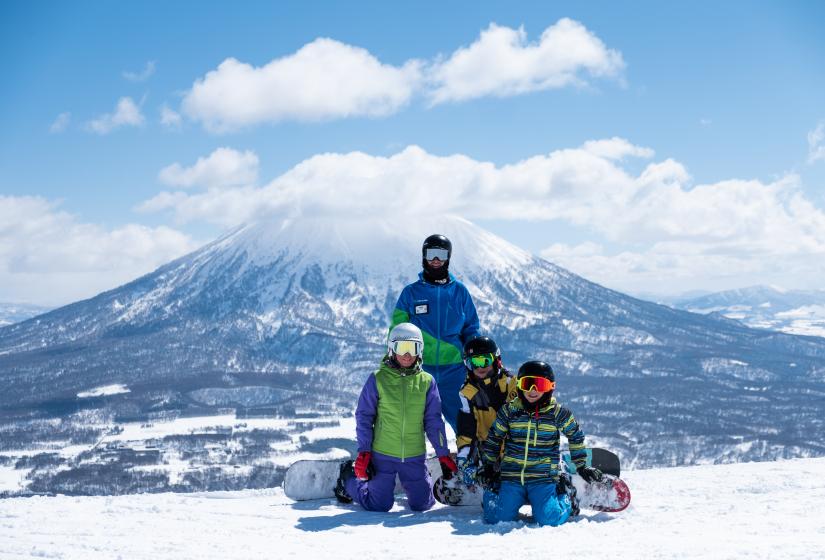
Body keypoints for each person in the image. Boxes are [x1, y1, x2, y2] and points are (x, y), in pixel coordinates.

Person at [334, 322, 458, 511]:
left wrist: (442, 453)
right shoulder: (377, 379)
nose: (407, 354)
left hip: (413, 455)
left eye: (413, 347)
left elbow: (434, 421)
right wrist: (365, 451)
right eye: (402, 347)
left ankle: (411, 483)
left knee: (423, 504)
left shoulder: (427, 382)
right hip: (382, 454)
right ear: (392, 348)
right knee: (379, 505)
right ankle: (348, 480)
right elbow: (364, 417)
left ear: (420, 350)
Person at [478, 361, 603, 526]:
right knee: (498, 518)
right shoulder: (510, 411)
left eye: (540, 385)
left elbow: (575, 435)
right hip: (512, 476)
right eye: (527, 384)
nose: (533, 390)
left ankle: (567, 497)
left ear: (550, 387)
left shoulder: (558, 413)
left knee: (548, 519)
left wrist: (581, 465)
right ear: (520, 386)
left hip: (542, 477)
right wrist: (488, 464)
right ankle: (494, 491)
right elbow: (494, 437)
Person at [390, 234, 480, 432]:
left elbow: (471, 327)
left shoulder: (459, 291)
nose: (436, 259)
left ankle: (471, 460)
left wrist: (472, 356)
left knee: (464, 421)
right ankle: (406, 463)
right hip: (419, 369)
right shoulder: (411, 293)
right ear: (424, 256)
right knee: (410, 424)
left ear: (448, 257)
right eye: (431, 254)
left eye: (441, 254)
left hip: (454, 370)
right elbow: (397, 330)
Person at [454, 336, 518, 487]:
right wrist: (464, 455)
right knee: (489, 484)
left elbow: (519, 425)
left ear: (496, 360)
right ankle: (476, 479)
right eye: (473, 362)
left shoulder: (512, 385)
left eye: (485, 361)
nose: (479, 367)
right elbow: (466, 428)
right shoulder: (468, 392)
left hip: (514, 450)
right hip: (487, 450)